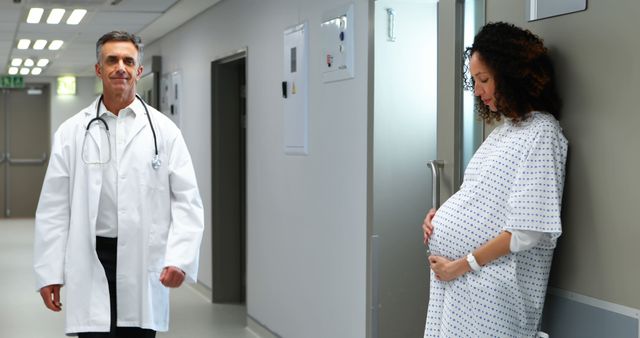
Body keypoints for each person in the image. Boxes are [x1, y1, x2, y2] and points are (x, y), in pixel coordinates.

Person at [33, 31, 204, 337]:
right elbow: (54, 207)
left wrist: (180, 258)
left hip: (142, 258)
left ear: (139, 70)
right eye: (111, 60)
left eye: (128, 60)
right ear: (98, 69)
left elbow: (187, 200)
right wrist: (49, 272)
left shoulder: (164, 132)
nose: (120, 67)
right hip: (91, 254)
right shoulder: (72, 132)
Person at [421, 22, 568, 337]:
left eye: (484, 79)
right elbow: (480, 200)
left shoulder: (542, 133)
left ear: (512, 75)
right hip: (459, 286)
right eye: (474, 80)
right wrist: (440, 218)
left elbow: (528, 230)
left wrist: (461, 264)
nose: (477, 91)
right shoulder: (504, 132)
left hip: (491, 295)